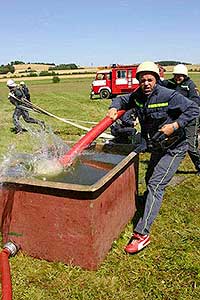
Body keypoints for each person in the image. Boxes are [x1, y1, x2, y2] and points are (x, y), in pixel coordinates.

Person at [107, 61, 199, 254]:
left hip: (175, 147)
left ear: (156, 79)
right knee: (149, 179)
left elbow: (194, 109)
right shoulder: (138, 96)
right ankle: (145, 204)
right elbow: (123, 100)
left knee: (156, 185)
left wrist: (175, 126)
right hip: (157, 145)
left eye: (149, 79)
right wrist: (114, 107)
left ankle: (142, 234)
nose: (146, 83)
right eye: (142, 80)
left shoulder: (169, 95)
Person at [161, 64, 200, 174]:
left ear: (185, 76)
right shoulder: (170, 83)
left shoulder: (190, 85)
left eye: (180, 76)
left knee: (191, 146)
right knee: (173, 143)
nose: (178, 78)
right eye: (176, 75)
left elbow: (196, 102)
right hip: (177, 119)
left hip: (191, 118)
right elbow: (159, 84)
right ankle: (167, 166)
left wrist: (182, 106)